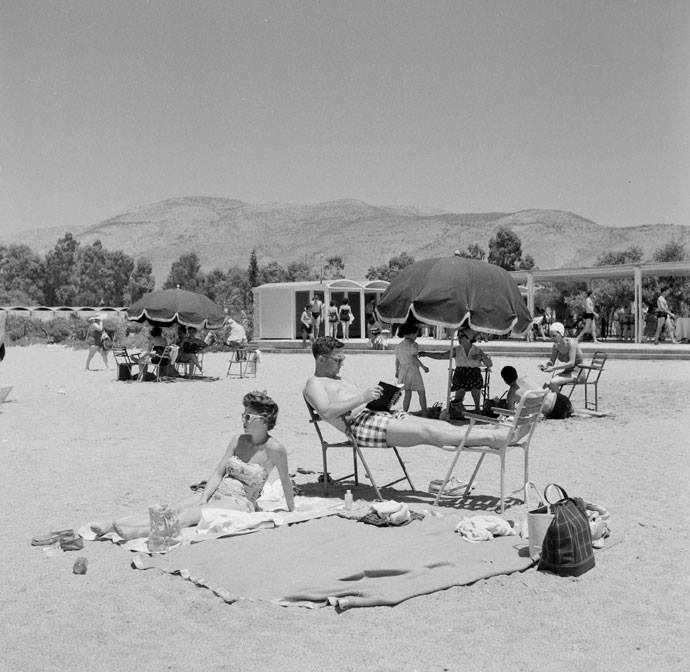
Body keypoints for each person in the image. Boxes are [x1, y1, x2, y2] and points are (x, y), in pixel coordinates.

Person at [91, 391, 295, 540]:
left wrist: (292, 510)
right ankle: (112, 524)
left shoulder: (275, 449)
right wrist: (204, 497)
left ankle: (138, 532)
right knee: (170, 509)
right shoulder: (237, 440)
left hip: (240, 503)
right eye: (243, 415)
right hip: (217, 493)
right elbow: (217, 473)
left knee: (188, 515)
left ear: (264, 420)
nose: (243, 419)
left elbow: (285, 481)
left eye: (248, 416)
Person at [304, 337, 524, 451]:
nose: (342, 363)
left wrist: (383, 399)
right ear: (321, 359)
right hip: (361, 427)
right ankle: (493, 438)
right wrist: (363, 397)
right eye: (337, 360)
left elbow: (358, 402)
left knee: (441, 425)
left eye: (343, 359)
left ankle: (495, 432)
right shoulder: (314, 384)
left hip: (378, 415)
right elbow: (325, 411)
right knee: (427, 432)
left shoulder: (338, 380)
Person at [421, 326, 492, 416]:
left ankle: (477, 408)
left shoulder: (477, 350)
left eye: (461, 336)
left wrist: (482, 357)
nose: (458, 338)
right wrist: (426, 354)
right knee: (461, 388)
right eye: (458, 336)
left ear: (468, 339)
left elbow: (489, 364)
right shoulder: (457, 350)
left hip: (474, 374)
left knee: (475, 386)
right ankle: (457, 407)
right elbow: (442, 356)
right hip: (461, 374)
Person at [488, 366, 572, 420]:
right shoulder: (525, 378)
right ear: (516, 374)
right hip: (562, 399)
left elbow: (511, 414)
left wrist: (500, 404)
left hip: (555, 411)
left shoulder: (511, 395)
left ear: (504, 380)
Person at [539, 322, 586, 393]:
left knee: (553, 383)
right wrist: (545, 366)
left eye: (554, 336)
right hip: (567, 372)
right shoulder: (555, 346)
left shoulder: (571, 343)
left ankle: (562, 403)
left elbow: (571, 363)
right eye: (551, 336)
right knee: (546, 385)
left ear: (561, 334)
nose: (552, 338)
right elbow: (551, 362)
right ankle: (555, 402)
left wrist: (554, 368)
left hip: (578, 373)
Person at [394, 324, 429, 413]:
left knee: (407, 392)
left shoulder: (398, 346)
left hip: (402, 370)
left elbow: (397, 360)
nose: (416, 336)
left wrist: (397, 371)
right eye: (416, 334)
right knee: (421, 391)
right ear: (412, 334)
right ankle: (424, 411)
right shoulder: (413, 345)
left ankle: (405, 411)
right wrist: (423, 367)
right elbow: (414, 358)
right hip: (413, 370)